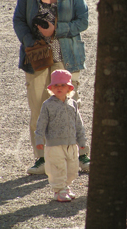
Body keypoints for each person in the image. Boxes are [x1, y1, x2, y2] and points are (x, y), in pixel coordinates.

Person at [13, 0, 91, 175]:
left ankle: (81, 155)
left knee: (70, 106)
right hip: (36, 56)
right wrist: (29, 41)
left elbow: (83, 20)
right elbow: (18, 20)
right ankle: (41, 159)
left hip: (64, 53)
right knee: (38, 107)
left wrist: (56, 30)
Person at [35, 70, 87, 202]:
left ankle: (65, 186)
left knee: (72, 169)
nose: (59, 88)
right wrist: (39, 139)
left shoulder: (73, 104)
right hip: (54, 144)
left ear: (69, 88)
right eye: (56, 85)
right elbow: (41, 123)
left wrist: (82, 141)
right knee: (57, 168)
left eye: (63, 85)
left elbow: (78, 124)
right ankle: (59, 190)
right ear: (51, 88)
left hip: (71, 143)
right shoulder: (47, 105)